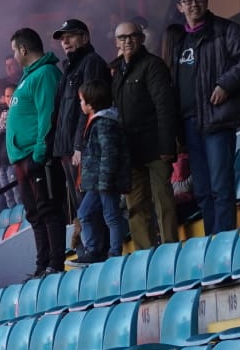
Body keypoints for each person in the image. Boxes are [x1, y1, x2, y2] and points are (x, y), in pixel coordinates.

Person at [169, 0, 240, 235]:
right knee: (201, 190)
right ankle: (212, 243)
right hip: (190, 124)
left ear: (207, 1)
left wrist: (226, 84)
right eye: (187, 0)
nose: (193, 4)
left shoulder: (225, 30)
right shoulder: (180, 42)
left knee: (220, 186)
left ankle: (224, 241)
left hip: (217, 120)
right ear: (180, 7)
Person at [110, 20, 180, 249]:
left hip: (156, 148)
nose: (127, 41)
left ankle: (170, 250)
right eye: (122, 37)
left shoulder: (153, 65)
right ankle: (144, 258)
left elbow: (165, 107)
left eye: (132, 36)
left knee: (163, 201)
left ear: (141, 38)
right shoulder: (116, 71)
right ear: (117, 42)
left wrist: (168, 147)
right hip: (131, 151)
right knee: (135, 206)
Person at [5, 28, 67, 277]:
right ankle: (42, 265)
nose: (14, 55)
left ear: (23, 49)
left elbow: (48, 114)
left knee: (49, 209)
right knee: (34, 214)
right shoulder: (27, 77)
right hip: (23, 159)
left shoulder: (45, 73)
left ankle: (55, 263)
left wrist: (40, 153)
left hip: (36, 157)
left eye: (13, 50)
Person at [51, 19, 112, 240]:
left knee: (89, 201)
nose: (65, 41)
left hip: (81, 147)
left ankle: (96, 250)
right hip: (66, 148)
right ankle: (88, 247)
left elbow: (91, 107)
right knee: (78, 202)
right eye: (61, 38)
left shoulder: (92, 62)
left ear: (85, 38)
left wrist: (79, 144)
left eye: (71, 35)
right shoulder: (68, 68)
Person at [70, 79, 131, 264]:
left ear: (91, 103)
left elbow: (109, 154)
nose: (80, 104)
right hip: (97, 182)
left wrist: (105, 181)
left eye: (81, 101)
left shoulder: (105, 122)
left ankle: (114, 254)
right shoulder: (97, 121)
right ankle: (93, 250)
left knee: (111, 216)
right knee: (84, 213)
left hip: (106, 182)